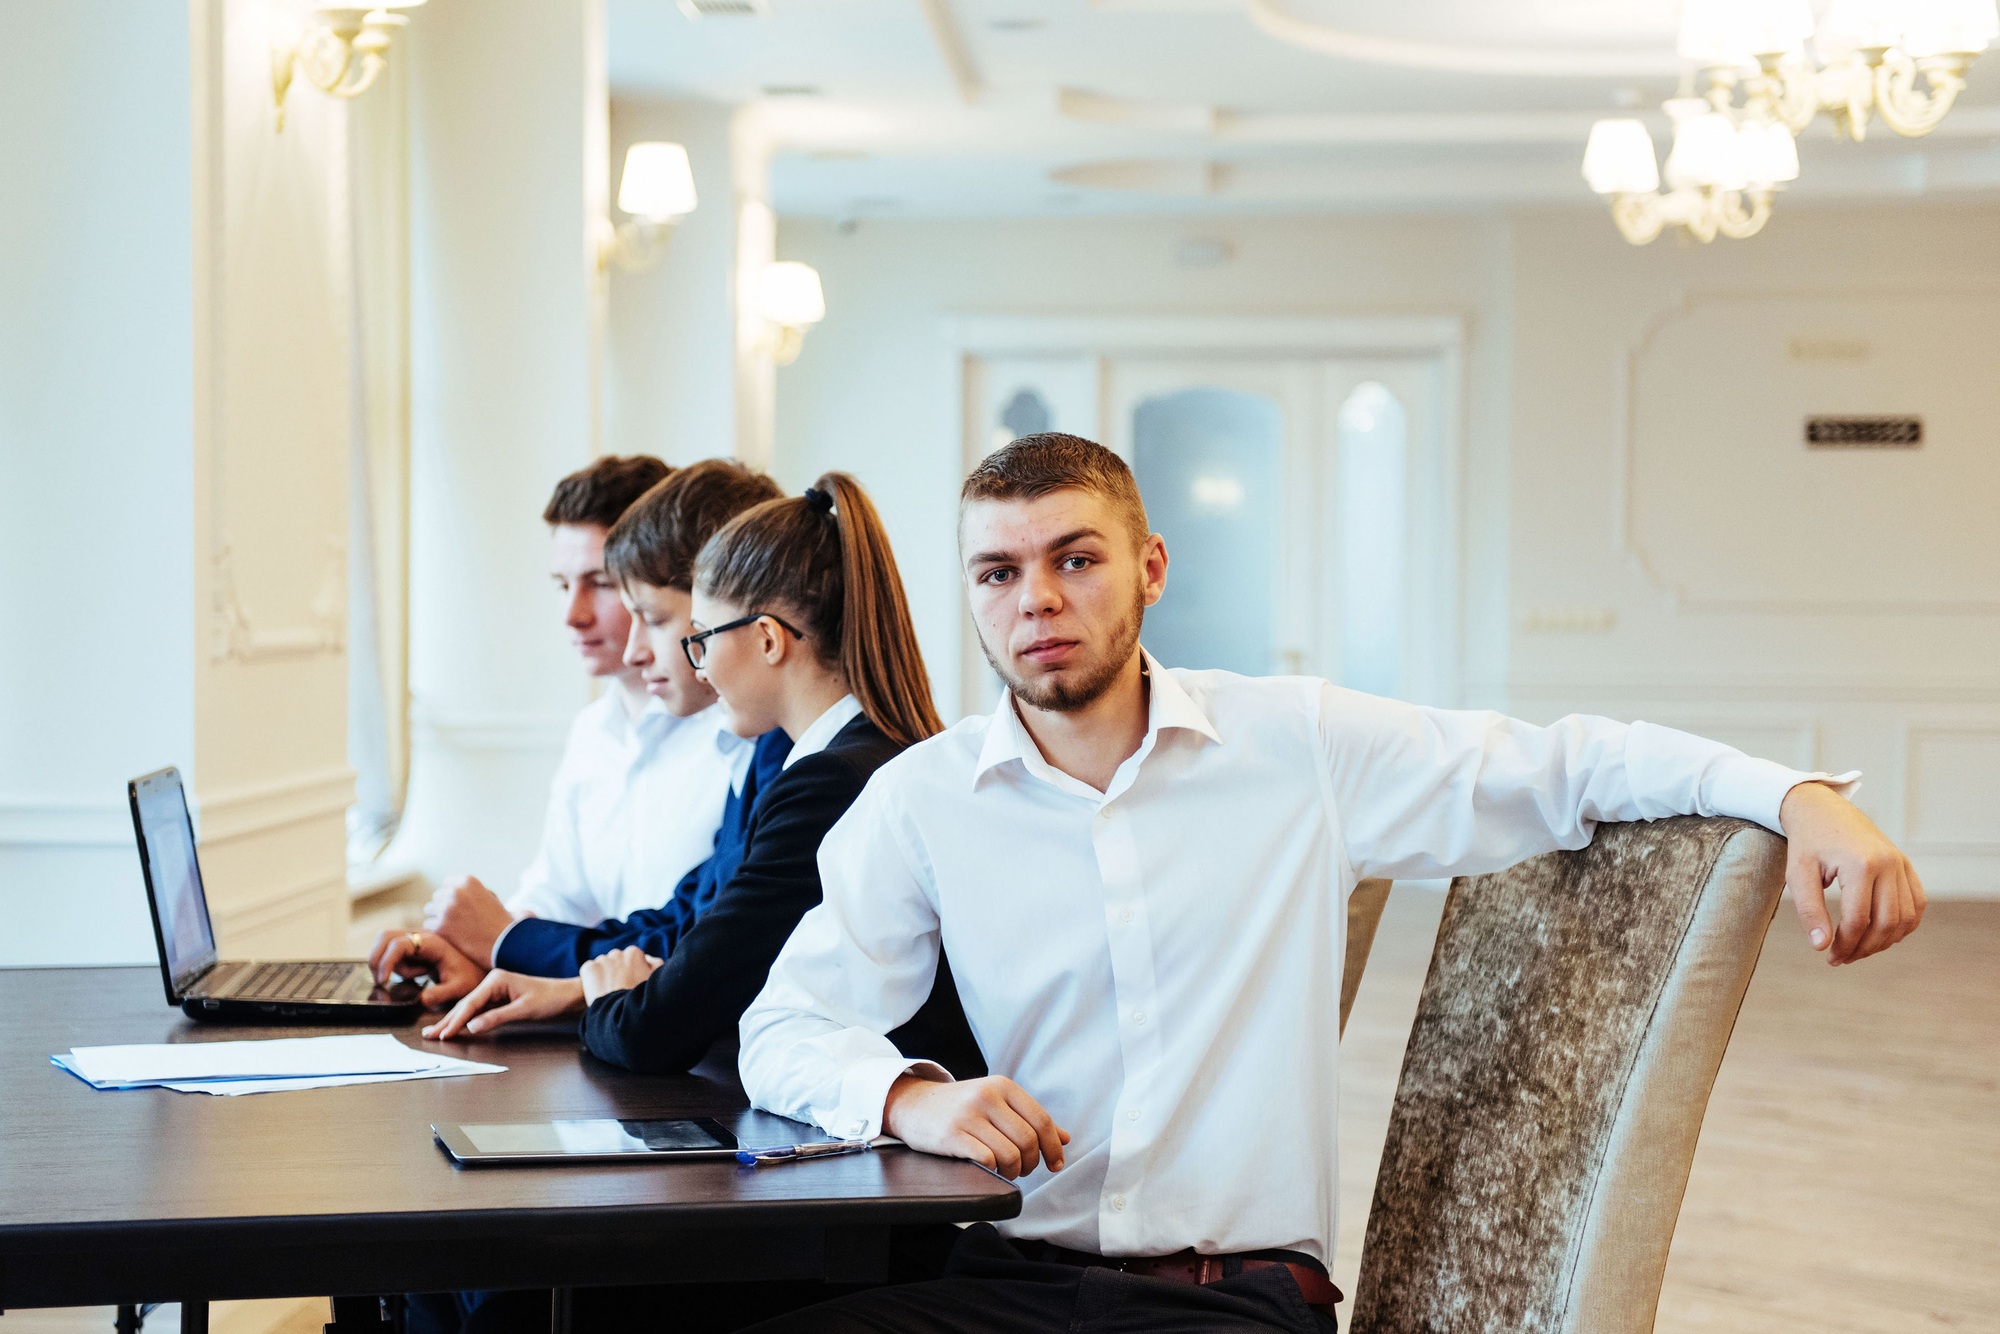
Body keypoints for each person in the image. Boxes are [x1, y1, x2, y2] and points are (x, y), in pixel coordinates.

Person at [733, 432, 1927, 1334]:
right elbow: (781, 1026)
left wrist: (1793, 796)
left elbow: (1564, 764)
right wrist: (907, 1097)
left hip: (1236, 1299)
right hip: (1010, 1274)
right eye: (997, 573)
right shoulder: (923, 800)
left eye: (1074, 558)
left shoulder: (1292, 743)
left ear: (1147, 567)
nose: (1035, 598)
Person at [420, 473, 984, 1084]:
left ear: (768, 639)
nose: (700, 664)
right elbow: (702, 942)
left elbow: (654, 1030)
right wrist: (592, 989)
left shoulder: (828, 785)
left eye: (704, 638)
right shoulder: (842, 760)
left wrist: (614, 1001)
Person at [368, 458, 769, 1003]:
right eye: (562, 585)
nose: (572, 615)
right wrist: (473, 951)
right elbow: (560, 897)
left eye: (601, 585)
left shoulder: (746, 734)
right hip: (614, 1007)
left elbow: (690, 942)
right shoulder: (591, 732)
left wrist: (506, 940)